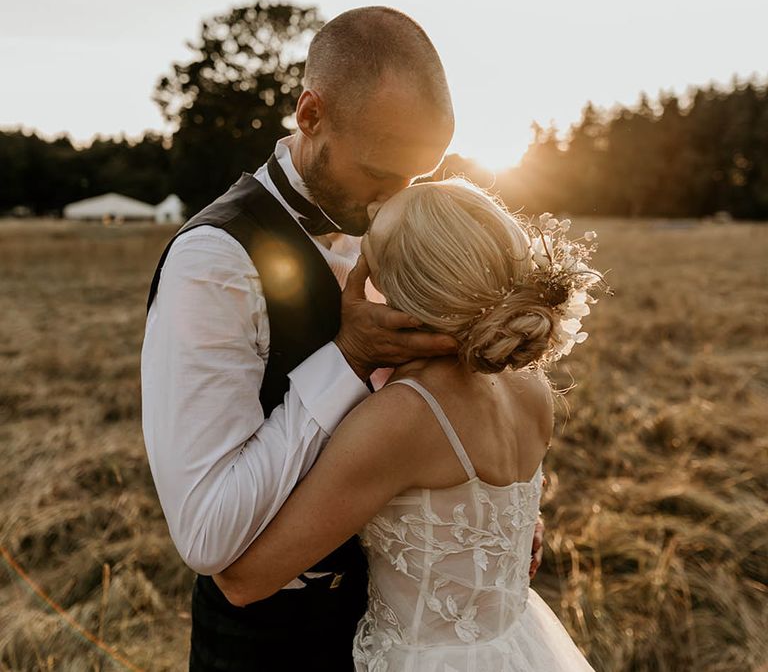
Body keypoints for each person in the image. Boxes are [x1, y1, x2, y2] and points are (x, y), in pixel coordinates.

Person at [142, 6, 544, 670]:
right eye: (382, 176)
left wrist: (491, 516)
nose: (396, 203)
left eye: (418, 177)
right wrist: (348, 358)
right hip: (270, 642)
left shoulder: (395, 229)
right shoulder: (212, 262)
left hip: (399, 632)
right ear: (309, 115)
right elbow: (209, 534)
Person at [213, 179, 601, 671]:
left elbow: (243, 582)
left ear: (397, 287)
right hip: (516, 645)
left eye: (364, 256)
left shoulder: (402, 418)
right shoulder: (529, 386)